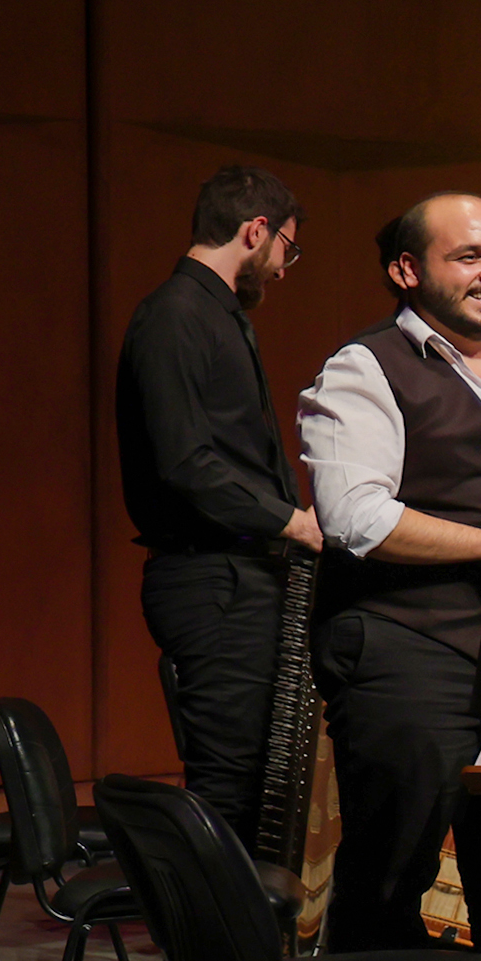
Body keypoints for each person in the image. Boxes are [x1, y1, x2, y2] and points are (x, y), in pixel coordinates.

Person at [293, 193, 481, 961]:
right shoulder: (364, 368)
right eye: (468, 256)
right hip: (403, 648)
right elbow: (357, 518)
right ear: (407, 271)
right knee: (391, 874)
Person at [117, 165, 322, 861]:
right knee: (228, 782)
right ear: (255, 231)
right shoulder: (175, 314)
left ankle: (247, 928)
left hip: (238, 575)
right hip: (211, 579)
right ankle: (208, 934)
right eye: (287, 248)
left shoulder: (215, 313)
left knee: (259, 779)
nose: (285, 268)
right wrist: (293, 522)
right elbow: (184, 463)